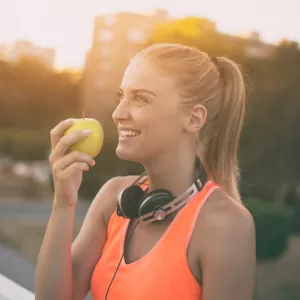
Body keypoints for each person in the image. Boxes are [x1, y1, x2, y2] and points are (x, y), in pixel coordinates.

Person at [35, 43, 256, 300]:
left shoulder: (226, 226)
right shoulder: (113, 198)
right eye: (121, 96)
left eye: (140, 98)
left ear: (194, 119)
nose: (118, 113)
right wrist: (63, 202)